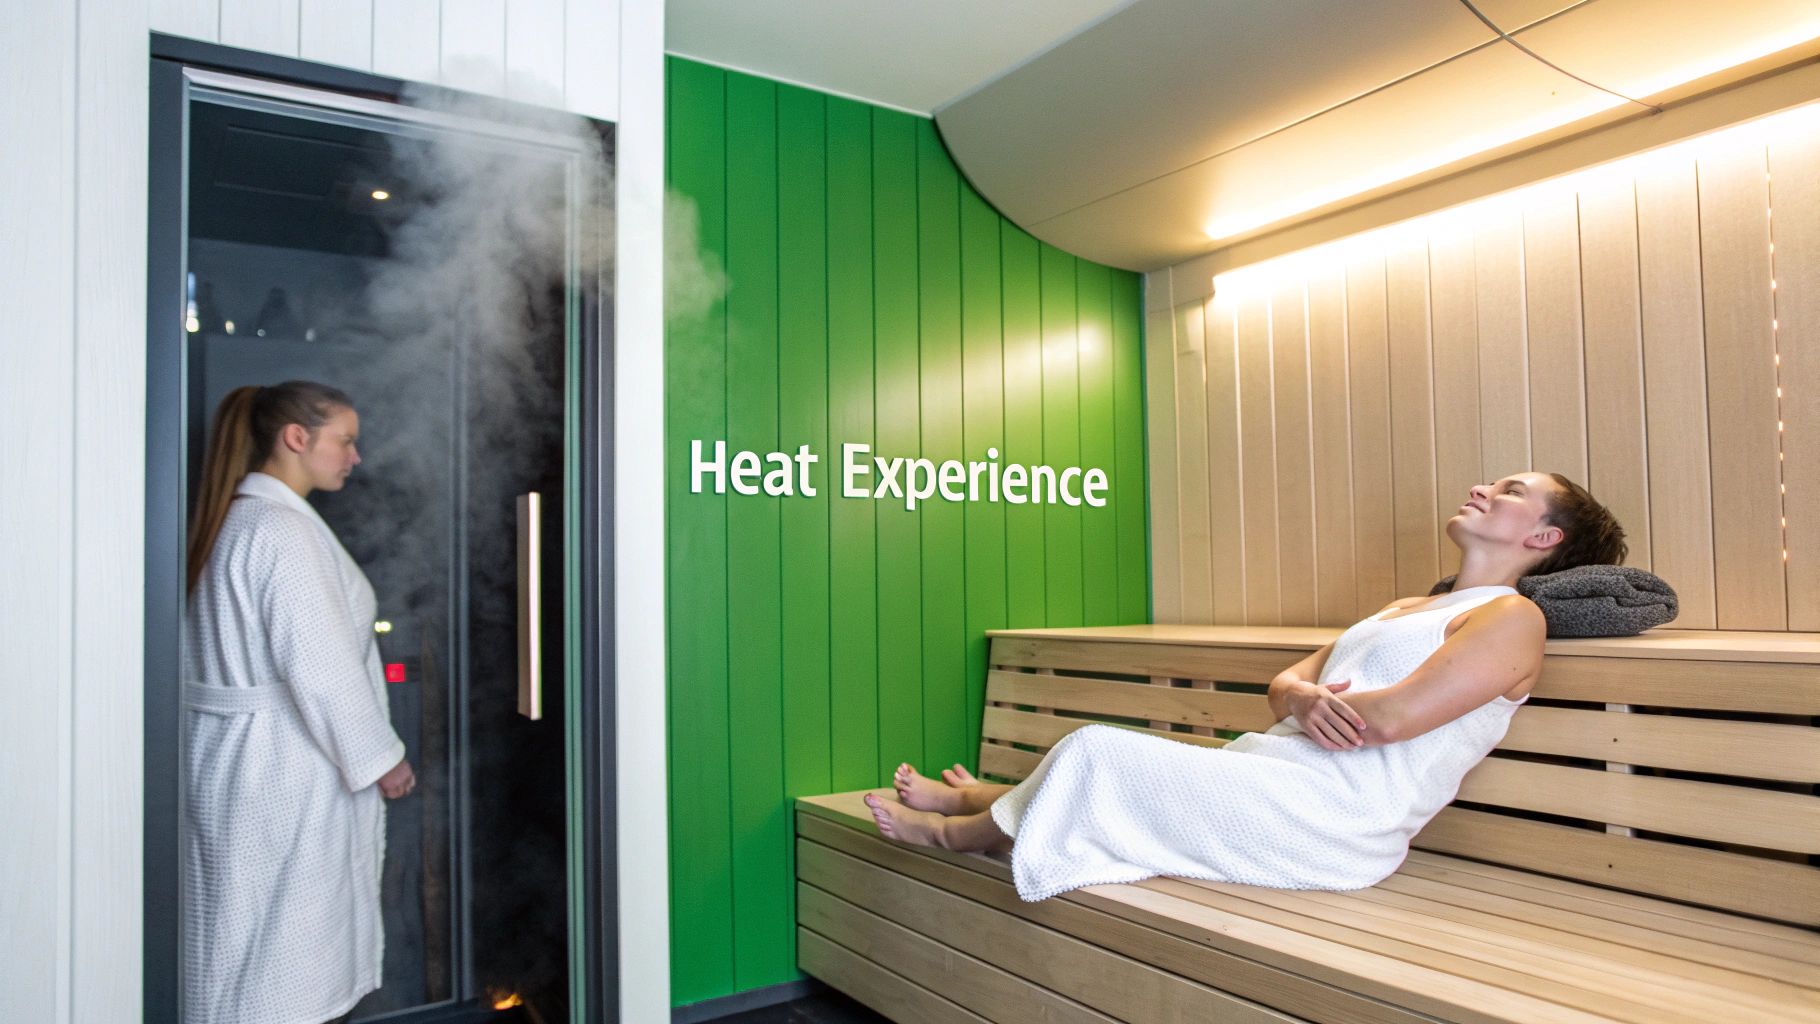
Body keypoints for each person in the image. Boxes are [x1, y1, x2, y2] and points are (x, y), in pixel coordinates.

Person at [867, 471, 1627, 902]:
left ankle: (957, 834)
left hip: (1338, 822)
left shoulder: (1511, 616)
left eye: (1511, 489)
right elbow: (1291, 683)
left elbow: (1393, 719)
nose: (1482, 487)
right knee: (1108, 758)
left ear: (1544, 538)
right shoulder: (1409, 608)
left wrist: (1310, 701)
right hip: (1274, 775)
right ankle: (978, 798)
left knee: (1098, 750)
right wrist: (1299, 700)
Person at [183, 381, 415, 1024]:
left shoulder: (235, 517)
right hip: (281, 773)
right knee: (279, 959)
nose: (354, 456)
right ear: (296, 438)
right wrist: (380, 758)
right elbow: (320, 667)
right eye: (345, 440)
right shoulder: (281, 532)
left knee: (237, 940)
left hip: (234, 763)